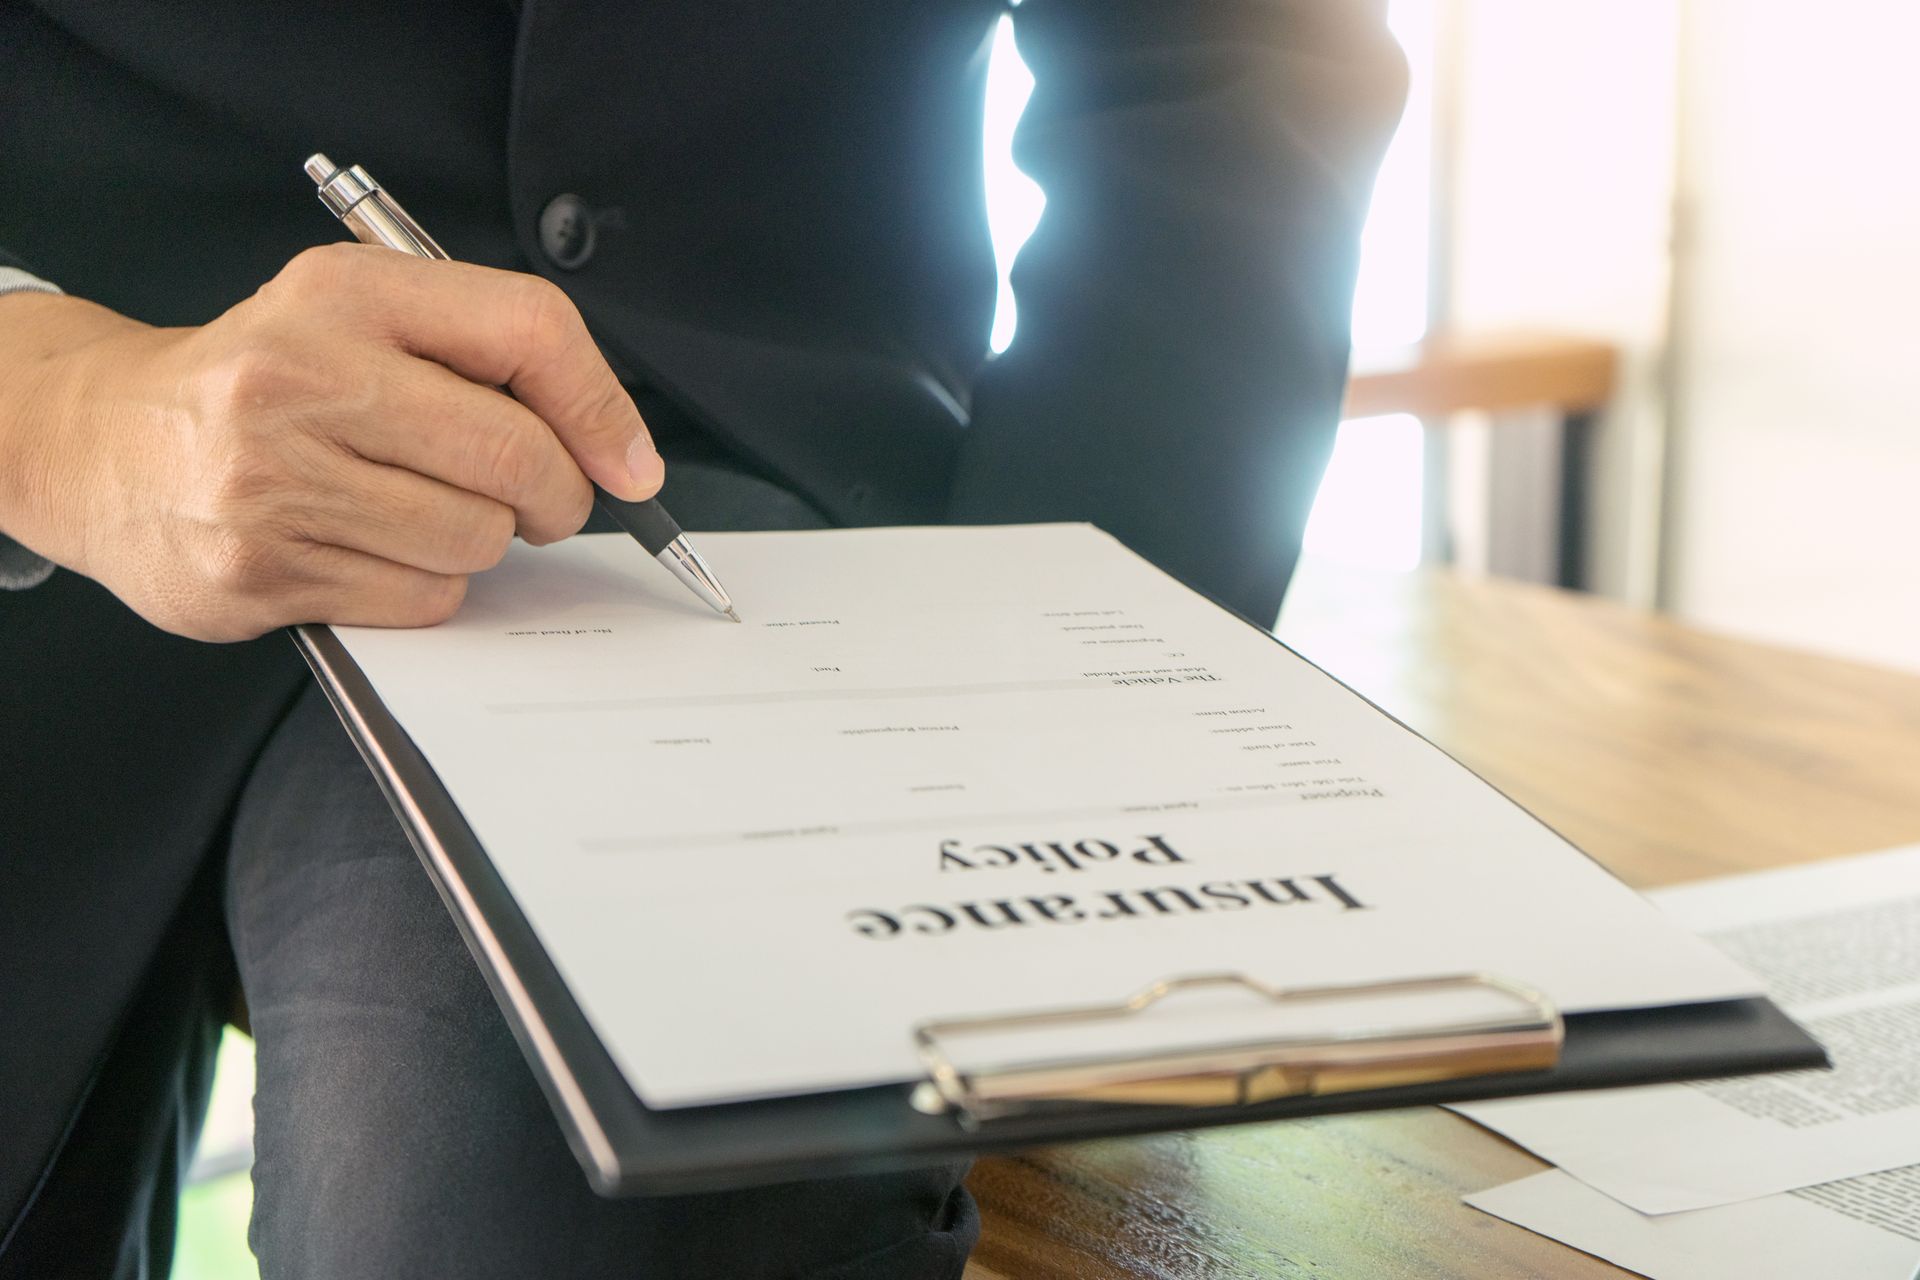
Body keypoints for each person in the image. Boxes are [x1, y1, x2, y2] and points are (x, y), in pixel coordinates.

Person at [0, 3, 1405, 1276]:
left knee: (543, 1170)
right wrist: (55, 421)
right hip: (54, 471)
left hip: (749, 516)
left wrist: (1066, 627)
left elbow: (1233, 60)